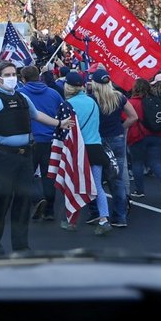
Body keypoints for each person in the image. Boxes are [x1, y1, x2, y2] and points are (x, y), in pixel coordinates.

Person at [0, 61, 72, 255]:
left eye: (14, 74)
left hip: (25, 156)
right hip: (3, 157)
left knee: (23, 202)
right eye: (8, 74)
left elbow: (38, 116)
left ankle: (21, 245)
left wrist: (59, 123)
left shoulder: (22, 98)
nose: (12, 77)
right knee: (1, 201)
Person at [62, 71, 113, 234]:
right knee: (97, 187)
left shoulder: (67, 104)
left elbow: (64, 130)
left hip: (77, 150)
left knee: (74, 184)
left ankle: (72, 220)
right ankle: (104, 220)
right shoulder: (92, 101)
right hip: (95, 148)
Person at [89, 68, 138, 228]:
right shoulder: (119, 97)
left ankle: (98, 213)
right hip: (117, 139)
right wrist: (121, 128)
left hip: (98, 140)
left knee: (95, 178)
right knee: (116, 179)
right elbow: (133, 117)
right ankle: (120, 216)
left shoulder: (92, 99)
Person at [18, 64, 63, 221]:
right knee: (48, 176)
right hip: (50, 140)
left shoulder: (19, 94)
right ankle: (49, 210)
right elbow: (61, 113)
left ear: (23, 79)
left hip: (28, 141)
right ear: (39, 76)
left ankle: (37, 199)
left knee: (24, 175)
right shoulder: (54, 94)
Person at [127, 78, 161, 202]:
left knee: (137, 163)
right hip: (157, 134)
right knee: (155, 162)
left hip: (138, 135)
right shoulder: (155, 100)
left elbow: (127, 118)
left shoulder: (131, 102)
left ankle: (139, 190)